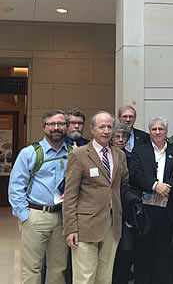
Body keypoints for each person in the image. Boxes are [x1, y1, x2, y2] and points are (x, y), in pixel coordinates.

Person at [63, 111, 129, 284]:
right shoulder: (79, 155)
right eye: (102, 127)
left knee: (105, 278)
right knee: (85, 277)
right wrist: (70, 228)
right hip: (86, 226)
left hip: (112, 224)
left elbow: (122, 183)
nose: (106, 131)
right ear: (92, 129)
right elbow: (70, 195)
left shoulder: (119, 155)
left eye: (109, 127)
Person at [8, 110, 70, 284]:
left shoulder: (73, 153)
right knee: (32, 267)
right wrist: (24, 215)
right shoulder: (30, 153)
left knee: (58, 268)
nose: (56, 128)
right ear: (44, 127)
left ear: (66, 127)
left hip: (63, 216)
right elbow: (16, 186)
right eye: (52, 124)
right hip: (36, 215)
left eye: (61, 124)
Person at [129, 117, 173, 284]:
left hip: (167, 209)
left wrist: (166, 187)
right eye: (154, 129)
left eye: (161, 129)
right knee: (143, 251)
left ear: (166, 132)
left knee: (164, 251)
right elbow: (135, 174)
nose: (157, 132)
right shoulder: (139, 150)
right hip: (145, 210)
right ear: (149, 132)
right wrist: (155, 186)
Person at [110, 122, 136, 284]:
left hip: (126, 213)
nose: (120, 140)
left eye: (124, 136)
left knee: (125, 253)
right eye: (117, 136)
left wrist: (130, 216)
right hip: (106, 212)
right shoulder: (105, 156)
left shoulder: (133, 157)